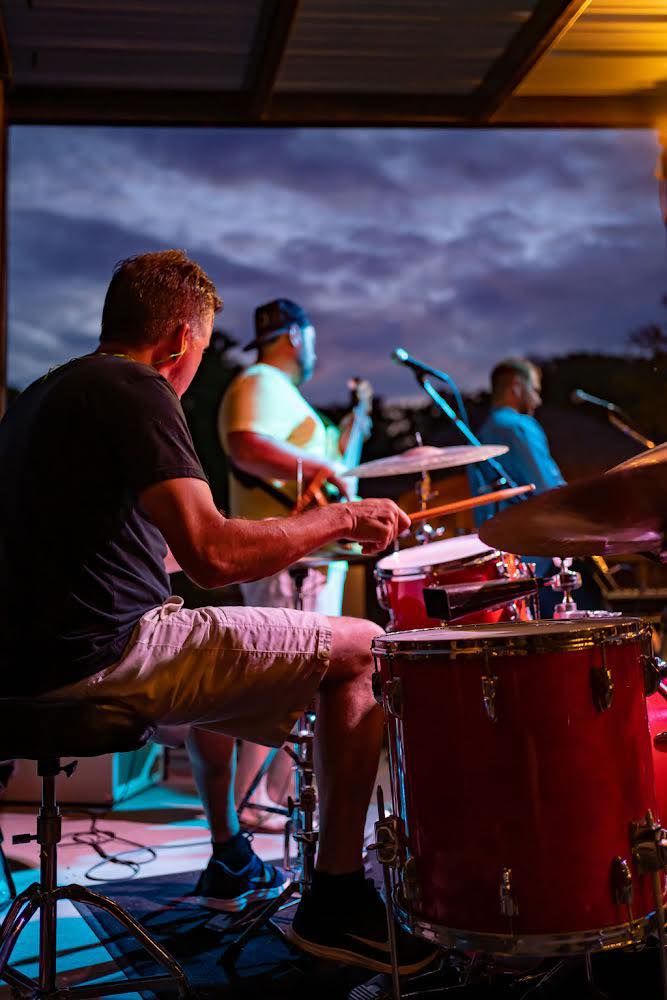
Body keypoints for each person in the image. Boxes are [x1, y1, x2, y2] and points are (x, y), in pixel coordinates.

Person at [0, 251, 433, 975]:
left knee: (230, 641)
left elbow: (130, 553)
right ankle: (335, 898)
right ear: (177, 340)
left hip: (25, 662)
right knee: (363, 647)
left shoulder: (44, 399)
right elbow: (211, 555)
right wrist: (342, 520)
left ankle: (231, 850)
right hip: (105, 657)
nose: (193, 366)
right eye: (199, 350)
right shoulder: (136, 387)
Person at [217, 299, 368, 831]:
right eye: (314, 338)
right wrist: (325, 463)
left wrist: (343, 441)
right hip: (287, 561)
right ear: (298, 337)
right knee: (283, 680)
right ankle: (259, 805)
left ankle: (271, 802)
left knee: (296, 682)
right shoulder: (259, 381)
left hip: (304, 560)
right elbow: (245, 445)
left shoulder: (286, 398)